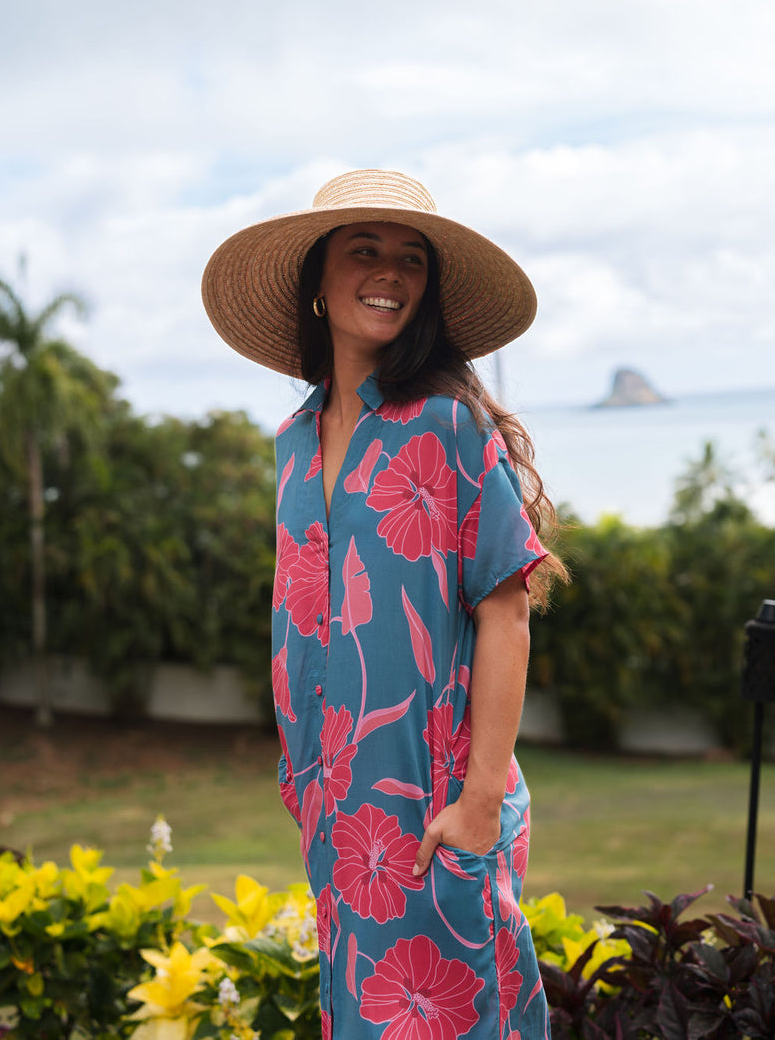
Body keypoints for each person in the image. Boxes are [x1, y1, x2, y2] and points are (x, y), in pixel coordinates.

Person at [202, 169, 565, 1040]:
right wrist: (302, 775)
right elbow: (303, 615)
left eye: (410, 258)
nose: (390, 272)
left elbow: (506, 612)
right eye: (364, 250)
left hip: (438, 809)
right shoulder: (292, 444)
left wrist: (478, 803)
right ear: (318, 284)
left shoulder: (446, 426)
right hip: (339, 818)